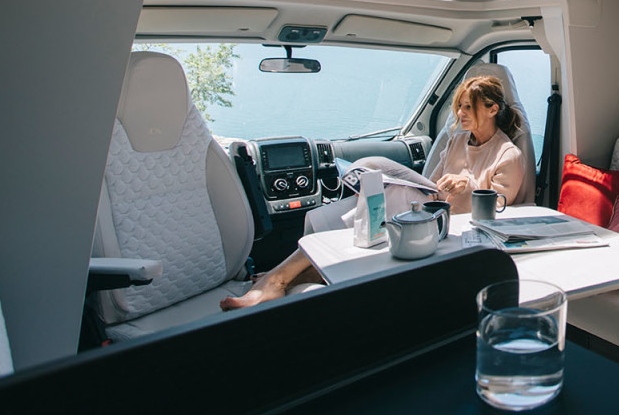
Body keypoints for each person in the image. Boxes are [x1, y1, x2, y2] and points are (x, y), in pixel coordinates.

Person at [221, 75, 526, 310]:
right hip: (428, 208)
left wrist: (468, 186)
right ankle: (280, 281)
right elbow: (430, 186)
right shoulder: (456, 141)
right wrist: (438, 190)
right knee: (369, 184)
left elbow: (499, 207)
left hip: (455, 227)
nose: (459, 112)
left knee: (383, 190)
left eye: (467, 106)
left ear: (492, 108)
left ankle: (274, 279)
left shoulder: (508, 155)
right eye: (458, 105)